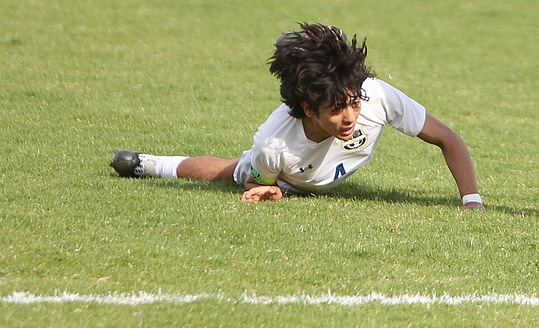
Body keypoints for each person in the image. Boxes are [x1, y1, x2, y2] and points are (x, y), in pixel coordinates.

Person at [110, 23, 484, 210]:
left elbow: (449, 140)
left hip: (312, 173)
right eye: (337, 110)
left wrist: (471, 200)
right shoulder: (275, 145)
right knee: (231, 171)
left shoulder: (378, 96)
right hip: (290, 179)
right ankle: (150, 164)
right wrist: (266, 188)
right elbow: (255, 184)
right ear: (309, 109)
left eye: (353, 102)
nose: (351, 115)